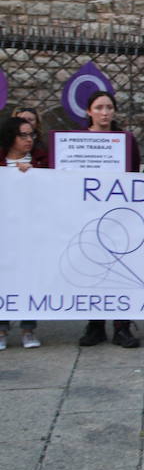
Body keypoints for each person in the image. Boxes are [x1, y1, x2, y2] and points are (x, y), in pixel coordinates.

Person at [78, 91, 142, 348]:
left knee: (119, 271)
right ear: (89, 112)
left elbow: (133, 173)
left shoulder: (125, 141)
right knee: (91, 269)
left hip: (118, 215)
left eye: (109, 107)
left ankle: (121, 326)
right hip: (86, 213)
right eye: (99, 107)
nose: (105, 112)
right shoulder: (77, 141)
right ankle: (95, 325)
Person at [0, 116, 44, 350]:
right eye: (23, 135)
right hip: (3, 228)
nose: (29, 140)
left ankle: (28, 328)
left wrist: (32, 173)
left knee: (29, 277)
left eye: (31, 135)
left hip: (30, 229)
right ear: (10, 137)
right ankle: (1, 328)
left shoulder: (39, 160)